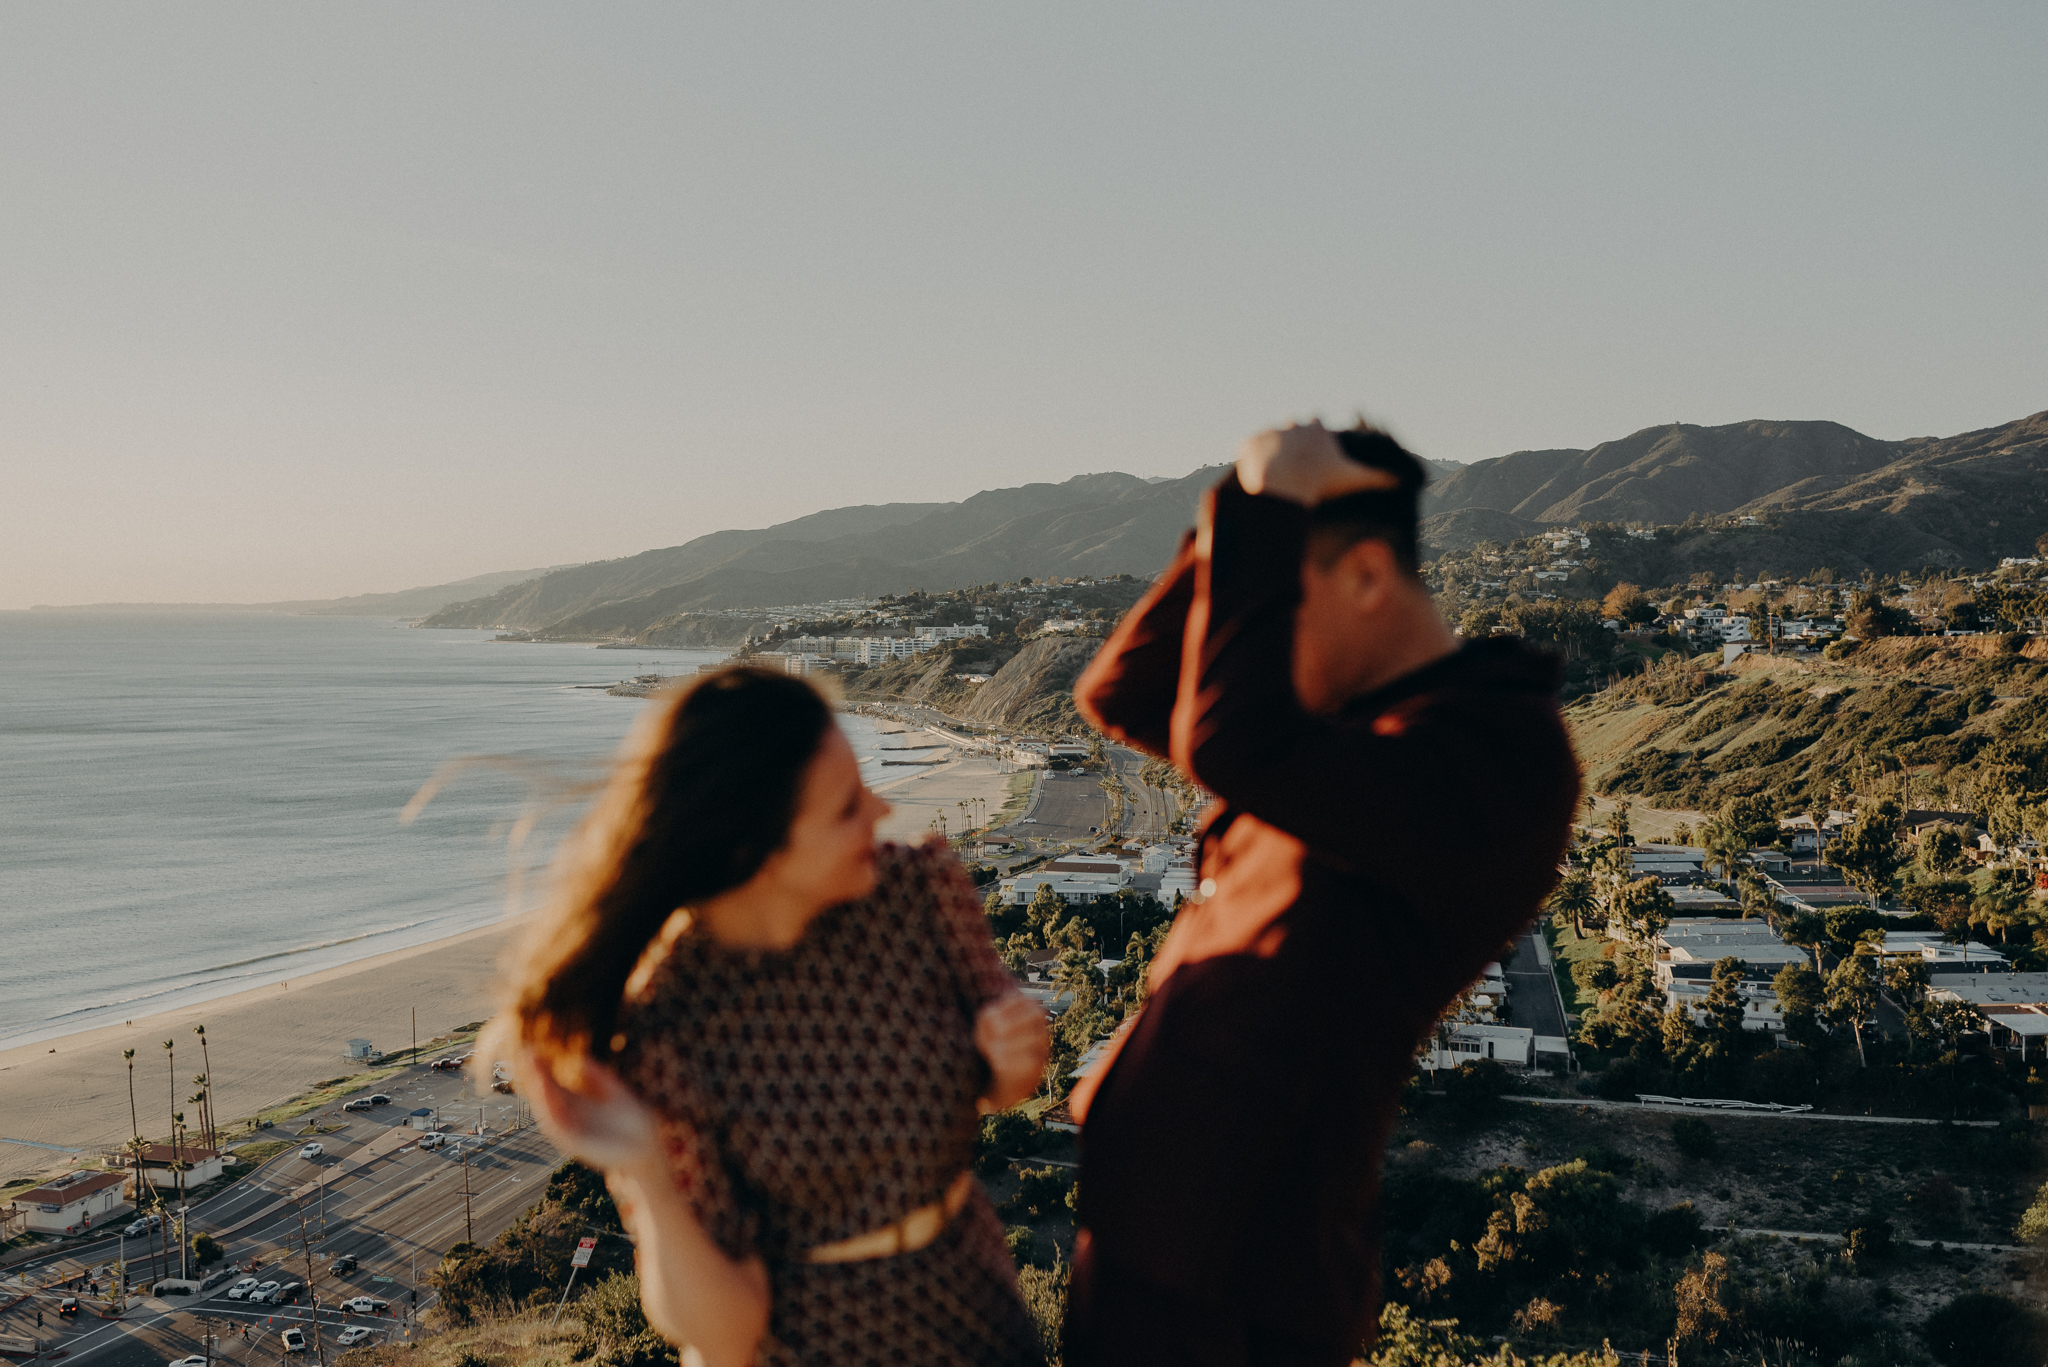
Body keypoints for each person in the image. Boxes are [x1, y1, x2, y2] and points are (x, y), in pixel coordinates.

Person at [1063, 420, 1580, 1366]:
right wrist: (1238, 514)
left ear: (1371, 579)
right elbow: (1125, 692)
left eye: (1268, 603)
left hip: (1240, 1291)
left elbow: (1226, 738)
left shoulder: (1496, 756)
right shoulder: (1340, 742)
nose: (1244, 637)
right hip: (1162, 1252)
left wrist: (1267, 508)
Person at [506, 666, 1050, 1367]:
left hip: (977, 1314)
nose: (882, 812)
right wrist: (642, 1169)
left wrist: (1014, 1055)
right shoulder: (668, 1024)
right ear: (754, 851)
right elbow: (725, 1335)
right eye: (846, 807)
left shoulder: (920, 892)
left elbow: (1009, 1085)